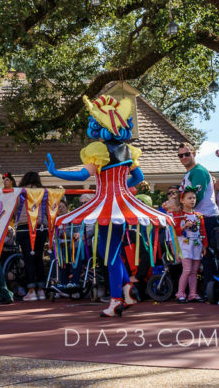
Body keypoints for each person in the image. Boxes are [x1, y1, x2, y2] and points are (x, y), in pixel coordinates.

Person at [46, 95, 173, 317]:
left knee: (111, 255)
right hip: (122, 205)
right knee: (111, 252)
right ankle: (127, 290)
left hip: (106, 205)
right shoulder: (128, 151)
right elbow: (138, 177)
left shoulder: (99, 150)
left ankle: (116, 302)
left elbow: (84, 175)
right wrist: (122, 191)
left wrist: (57, 173)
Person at [177, 143, 219, 286]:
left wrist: (178, 208)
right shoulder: (190, 173)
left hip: (205, 217)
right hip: (195, 218)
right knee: (194, 256)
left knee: (207, 254)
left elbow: (196, 197)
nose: (184, 157)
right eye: (180, 155)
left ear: (194, 153)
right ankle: (197, 290)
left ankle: (211, 288)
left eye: (187, 154)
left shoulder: (199, 171)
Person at [15, 171, 48, 301]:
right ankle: (41, 290)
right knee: (38, 258)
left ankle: (31, 290)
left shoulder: (21, 192)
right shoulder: (43, 192)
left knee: (28, 258)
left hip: (24, 227)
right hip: (40, 227)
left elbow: (15, 207)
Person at [171, 190, 207, 303]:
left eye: (194, 198)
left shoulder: (198, 216)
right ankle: (180, 293)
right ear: (182, 200)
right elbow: (174, 232)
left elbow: (203, 232)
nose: (192, 200)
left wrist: (204, 246)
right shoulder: (178, 216)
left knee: (194, 271)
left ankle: (193, 294)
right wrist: (184, 226)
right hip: (185, 247)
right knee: (186, 270)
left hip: (196, 246)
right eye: (189, 198)